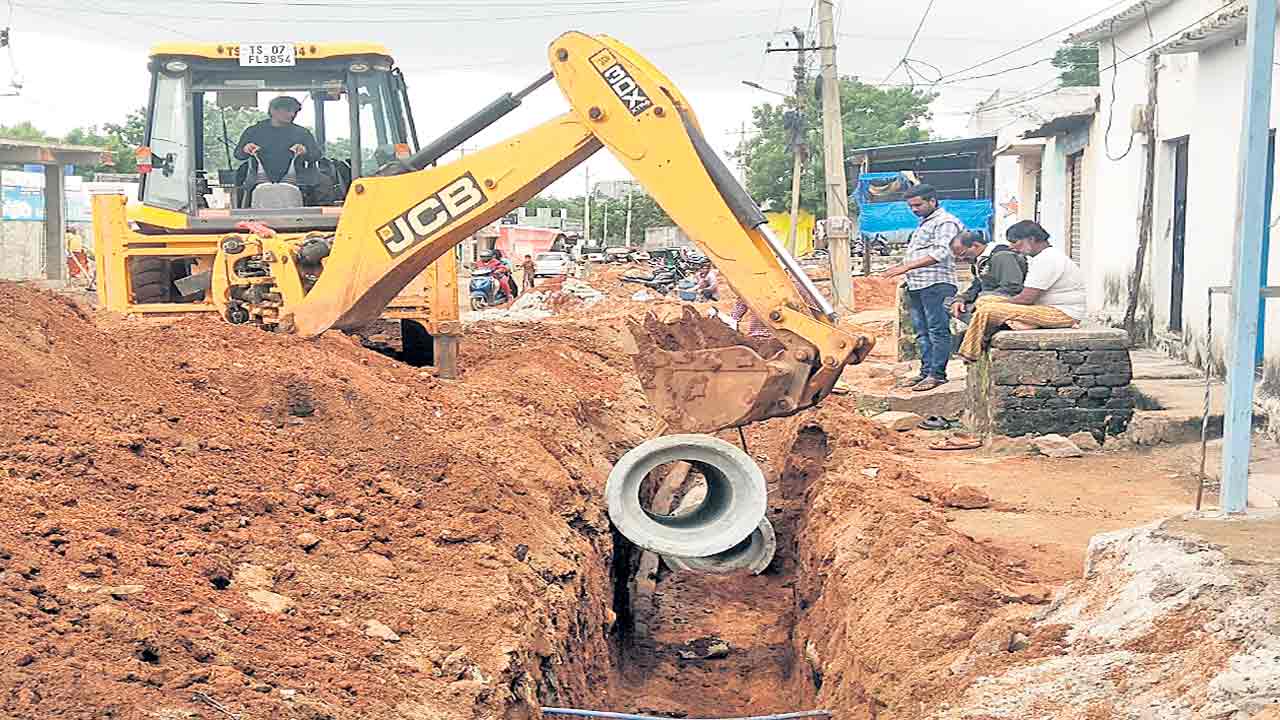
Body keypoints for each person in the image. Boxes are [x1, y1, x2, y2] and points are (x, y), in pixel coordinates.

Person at [956, 220, 1086, 362]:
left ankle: (969, 353)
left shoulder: (1048, 259)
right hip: (1044, 307)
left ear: (1031, 239)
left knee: (988, 309)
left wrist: (1002, 306)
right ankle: (1020, 323)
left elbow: (1026, 299)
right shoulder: (1039, 258)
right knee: (984, 300)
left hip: (1063, 313)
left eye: (1015, 242)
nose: (1012, 247)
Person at [881, 184, 962, 392]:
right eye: (911, 206)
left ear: (932, 201)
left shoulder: (945, 222)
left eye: (918, 205)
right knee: (922, 332)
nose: (914, 209)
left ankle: (938, 375)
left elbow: (941, 254)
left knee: (937, 330)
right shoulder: (925, 223)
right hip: (918, 284)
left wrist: (905, 267)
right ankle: (925, 372)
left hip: (936, 284)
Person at [234, 96, 320, 184]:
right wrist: (245, 149)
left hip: (295, 182)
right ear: (273, 110)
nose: (292, 114)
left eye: (295, 111)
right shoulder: (253, 131)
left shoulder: (302, 133)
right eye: (288, 110)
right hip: (259, 182)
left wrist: (305, 151)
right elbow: (238, 155)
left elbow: (316, 155)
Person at [948, 230, 1028, 324]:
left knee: (979, 302)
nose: (962, 259)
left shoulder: (1002, 255)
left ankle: (983, 322)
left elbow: (1012, 287)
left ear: (975, 245)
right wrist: (960, 299)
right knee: (950, 303)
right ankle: (979, 321)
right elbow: (976, 286)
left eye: (963, 254)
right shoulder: (979, 260)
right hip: (986, 300)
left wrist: (981, 299)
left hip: (1004, 301)